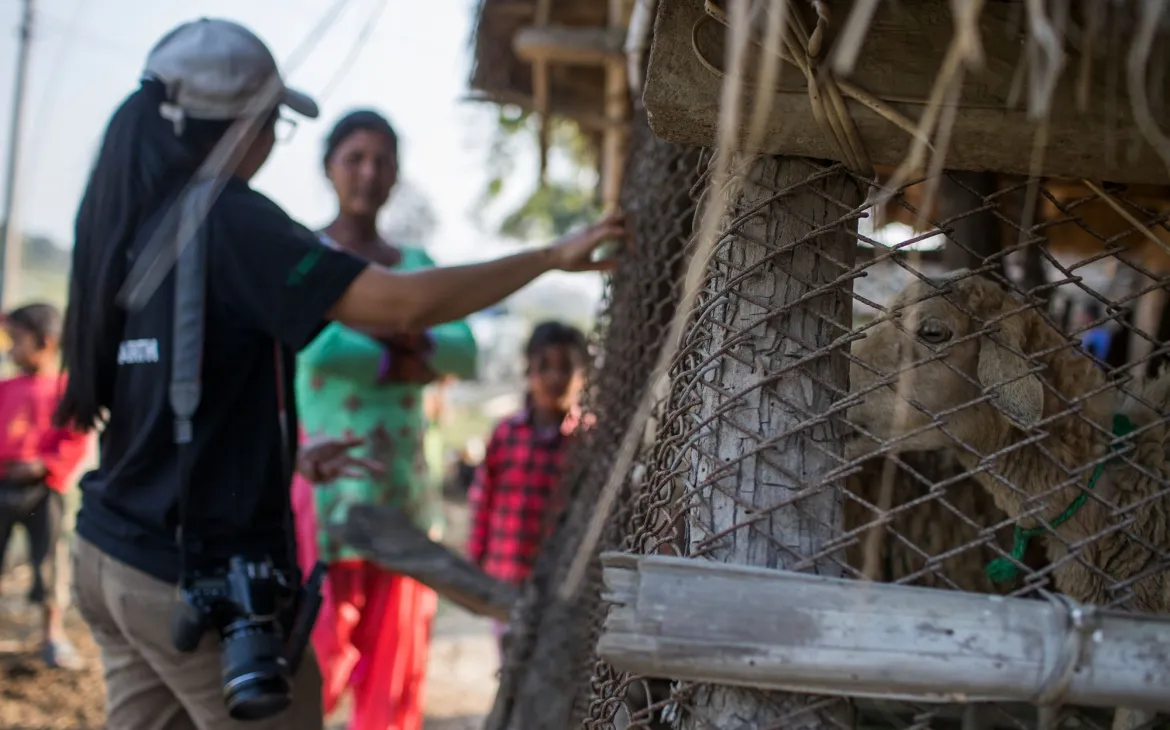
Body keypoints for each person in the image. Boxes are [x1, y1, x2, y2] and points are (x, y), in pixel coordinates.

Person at [54, 18, 623, 730]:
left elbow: (169, 398)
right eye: (276, 126)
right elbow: (405, 302)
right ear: (244, 128)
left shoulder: (139, 222)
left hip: (109, 555)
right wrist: (547, 257)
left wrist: (282, 455)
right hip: (196, 576)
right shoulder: (231, 223)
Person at [289, 109, 478, 730]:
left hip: (402, 490)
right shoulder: (302, 254)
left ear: (396, 173)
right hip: (325, 495)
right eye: (355, 158)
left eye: (382, 159)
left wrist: (370, 330)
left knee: (395, 670)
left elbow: (463, 350)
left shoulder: (416, 259)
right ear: (329, 167)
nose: (369, 172)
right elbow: (318, 348)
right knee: (315, 658)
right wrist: (407, 331)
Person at [466, 321, 589, 658]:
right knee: (511, 657)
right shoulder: (507, 433)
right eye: (543, 367)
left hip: (565, 580)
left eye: (567, 367)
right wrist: (476, 560)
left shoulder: (588, 440)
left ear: (584, 375)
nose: (554, 377)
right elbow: (483, 498)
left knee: (553, 659)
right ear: (528, 371)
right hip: (508, 574)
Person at [0, 303, 89, 669]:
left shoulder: (66, 391)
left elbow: (76, 439)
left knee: (49, 564)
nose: (10, 347)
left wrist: (45, 464)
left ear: (46, 342)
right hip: (2, 484)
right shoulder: (6, 388)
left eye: (17, 339)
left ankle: (52, 636)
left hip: (44, 491)